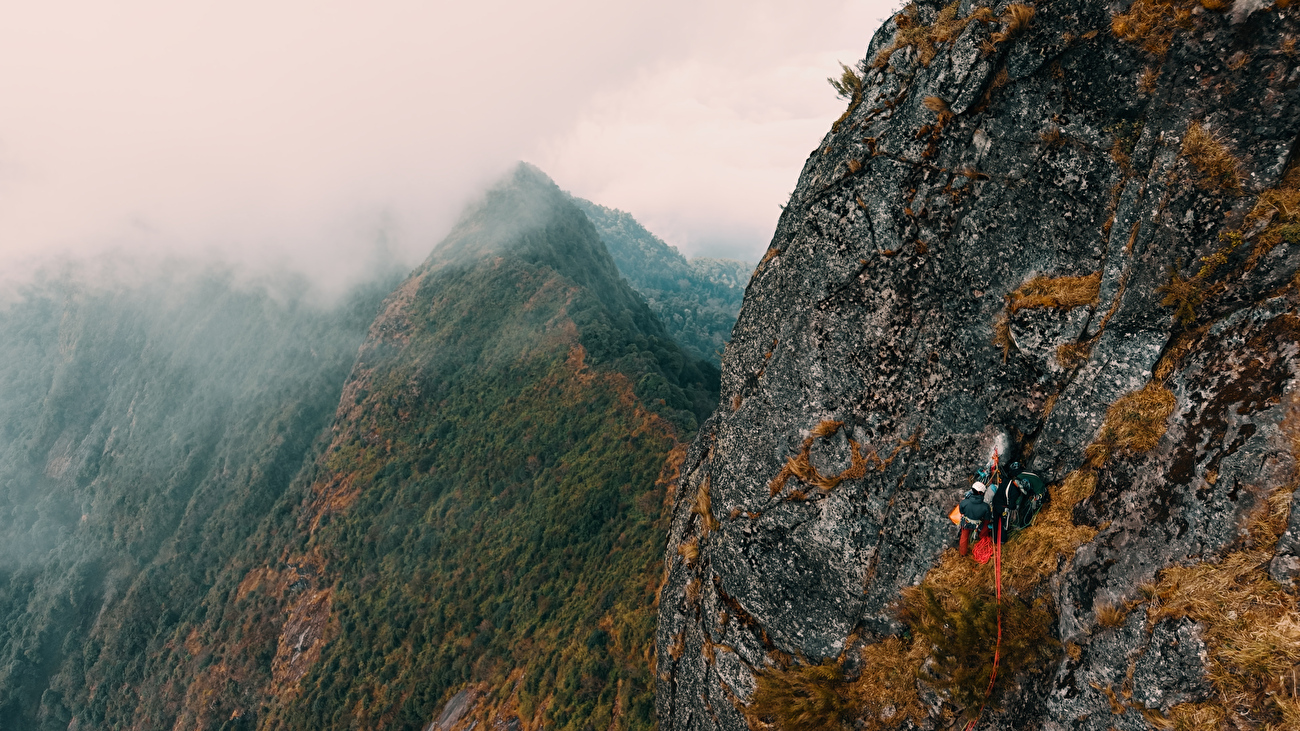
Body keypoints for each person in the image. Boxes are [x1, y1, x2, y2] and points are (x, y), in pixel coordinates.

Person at [958, 481, 993, 556]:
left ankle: (962, 553)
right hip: (978, 525)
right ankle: (982, 540)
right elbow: (987, 519)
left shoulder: (964, 502)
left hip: (967, 523)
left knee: (964, 537)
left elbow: (961, 511)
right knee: (986, 529)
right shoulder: (985, 506)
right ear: (981, 493)